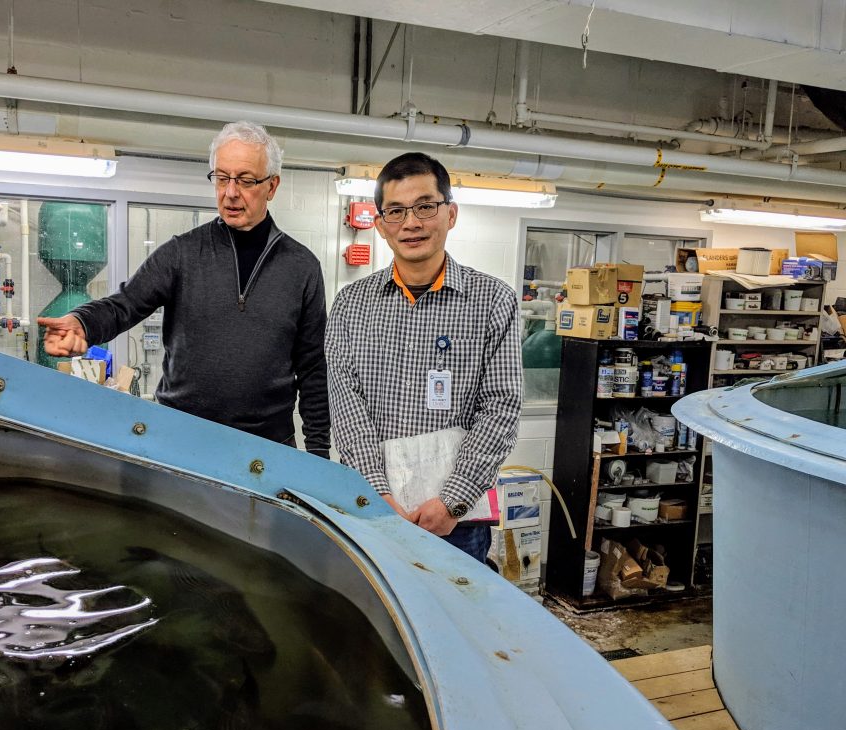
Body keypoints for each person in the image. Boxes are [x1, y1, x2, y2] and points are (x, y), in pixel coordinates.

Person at [38, 121, 330, 457]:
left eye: (245, 180)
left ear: (272, 186)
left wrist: (319, 453)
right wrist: (83, 322)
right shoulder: (182, 253)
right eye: (222, 178)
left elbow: (313, 368)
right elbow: (125, 304)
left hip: (267, 450)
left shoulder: (301, 267)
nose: (230, 192)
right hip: (181, 441)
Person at [325, 152, 523, 562]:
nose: (411, 223)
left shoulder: (492, 300)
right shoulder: (350, 305)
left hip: (458, 524)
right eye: (396, 211)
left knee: (455, 604)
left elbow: (501, 406)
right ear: (380, 225)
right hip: (375, 514)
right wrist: (376, 495)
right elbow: (346, 407)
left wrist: (452, 501)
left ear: (451, 214)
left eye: (425, 207)